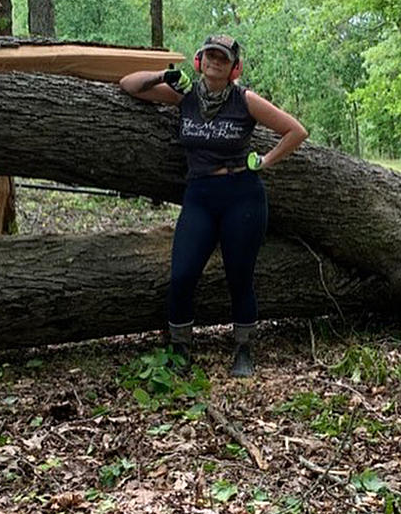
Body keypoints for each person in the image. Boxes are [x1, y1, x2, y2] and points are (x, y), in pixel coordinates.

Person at [120, 34, 308, 377]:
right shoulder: (186, 96)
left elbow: (295, 131)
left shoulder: (245, 100)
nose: (214, 62)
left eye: (222, 58)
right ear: (199, 60)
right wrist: (165, 76)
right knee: (182, 274)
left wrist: (265, 161)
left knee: (239, 275)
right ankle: (180, 349)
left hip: (242, 195)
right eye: (209, 55)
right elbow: (129, 85)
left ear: (233, 67)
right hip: (200, 195)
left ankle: (244, 349)